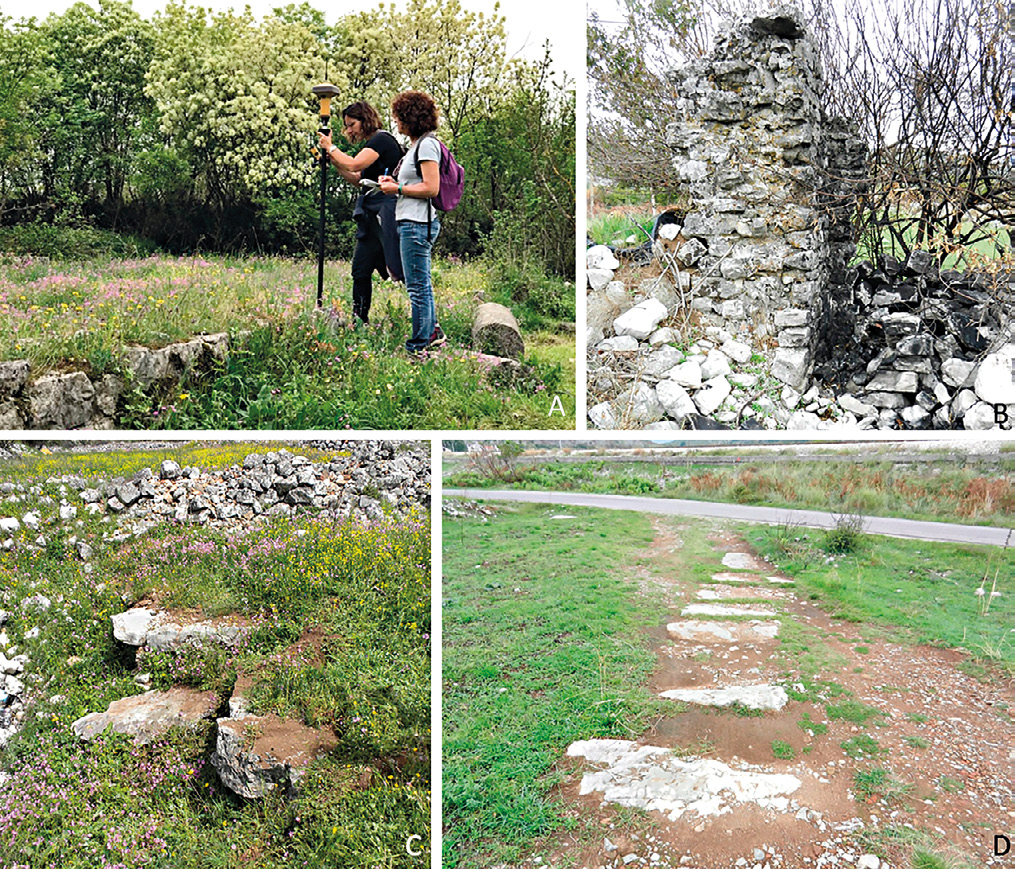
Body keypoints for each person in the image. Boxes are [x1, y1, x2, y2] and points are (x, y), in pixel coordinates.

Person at [319, 101, 403, 325]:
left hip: (387, 213)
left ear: (365, 120)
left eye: (351, 125)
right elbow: (358, 180)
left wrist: (331, 147)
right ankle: (359, 322)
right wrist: (334, 162)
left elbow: (355, 164)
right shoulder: (371, 145)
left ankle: (428, 325)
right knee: (360, 269)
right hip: (369, 215)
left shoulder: (382, 140)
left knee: (403, 269)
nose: (349, 131)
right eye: (346, 126)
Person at [377, 91, 447, 353]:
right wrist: (393, 185)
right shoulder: (418, 146)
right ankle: (432, 333)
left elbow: (431, 188)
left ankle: (419, 346)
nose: (396, 122)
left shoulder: (428, 145)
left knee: (418, 287)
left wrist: (398, 188)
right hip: (411, 221)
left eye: (398, 117)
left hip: (418, 223)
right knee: (419, 283)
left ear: (409, 117)